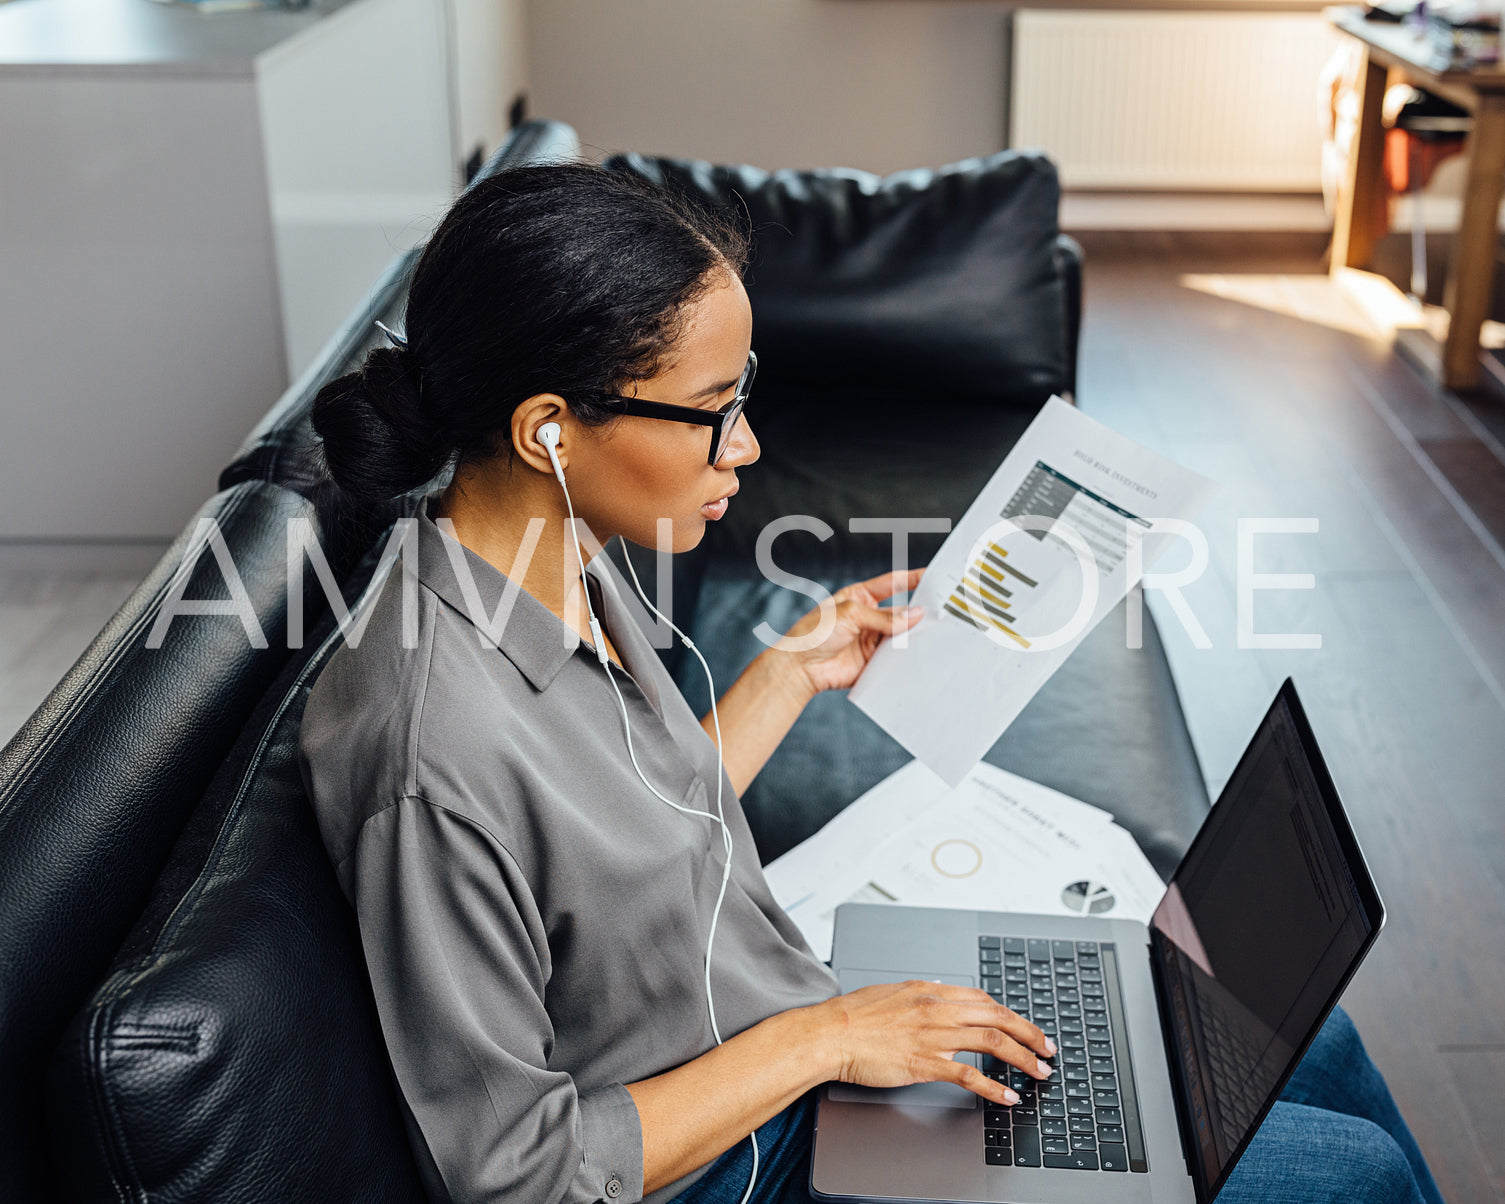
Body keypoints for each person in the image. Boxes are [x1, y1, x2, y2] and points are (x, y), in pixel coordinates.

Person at [297, 163, 1443, 1204]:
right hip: (746, 1156)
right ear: (549, 428)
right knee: (1357, 1173)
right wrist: (828, 1039)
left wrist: (789, 672)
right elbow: (518, 1174)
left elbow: (623, 829)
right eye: (711, 414)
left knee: (1305, 1035)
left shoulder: (544, 559)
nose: (744, 449)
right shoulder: (427, 749)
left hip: (789, 1027)